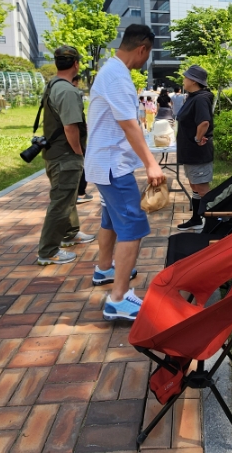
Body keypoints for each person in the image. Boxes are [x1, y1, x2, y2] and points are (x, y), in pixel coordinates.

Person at [85, 24, 166, 321]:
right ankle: (118, 299)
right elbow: (129, 125)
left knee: (110, 219)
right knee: (133, 226)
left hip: (104, 164)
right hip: (112, 166)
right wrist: (151, 163)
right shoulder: (118, 77)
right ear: (142, 48)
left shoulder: (110, 71)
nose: (146, 60)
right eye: (148, 54)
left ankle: (104, 268)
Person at [35, 46, 94, 266]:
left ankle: (70, 234)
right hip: (65, 155)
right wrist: (79, 153)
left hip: (54, 152)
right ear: (76, 64)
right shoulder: (68, 91)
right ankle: (48, 251)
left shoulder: (53, 84)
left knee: (67, 197)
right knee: (61, 202)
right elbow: (71, 127)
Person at [175, 65, 214, 230]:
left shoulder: (200, 99)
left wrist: (198, 138)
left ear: (193, 81)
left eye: (185, 77)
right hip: (190, 153)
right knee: (194, 186)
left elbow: (204, 122)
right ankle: (196, 218)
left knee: (202, 188)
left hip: (198, 152)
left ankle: (214, 221)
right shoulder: (193, 97)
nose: (183, 80)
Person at [71, 74, 93, 205]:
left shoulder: (56, 90)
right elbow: (71, 126)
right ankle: (80, 193)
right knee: (80, 165)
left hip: (71, 140)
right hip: (76, 140)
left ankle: (78, 193)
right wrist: (78, 150)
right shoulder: (71, 94)